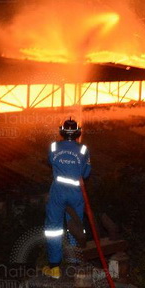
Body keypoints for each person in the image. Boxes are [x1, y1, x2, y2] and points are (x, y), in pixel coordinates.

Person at [42, 118, 91, 279]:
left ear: (62, 131)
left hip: (57, 191)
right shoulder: (84, 149)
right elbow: (86, 173)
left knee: (53, 229)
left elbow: (50, 161)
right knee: (75, 225)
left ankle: (54, 267)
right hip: (75, 192)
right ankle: (74, 263)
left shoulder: (54, 146)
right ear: (78, 132)